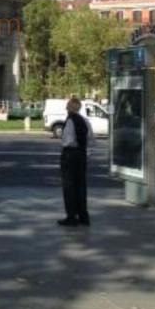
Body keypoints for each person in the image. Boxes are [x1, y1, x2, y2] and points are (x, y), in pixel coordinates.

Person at [58, 97, 94, 227]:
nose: (66, 108)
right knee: (81, 186)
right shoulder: (85, 121)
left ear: (71, 108)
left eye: (68, 105)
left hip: (70, 155)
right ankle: (83, 215)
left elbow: (67, 141)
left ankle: (71, 216)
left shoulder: (70, 121)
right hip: (81, 155)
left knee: (69, 187)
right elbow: (91, 138)